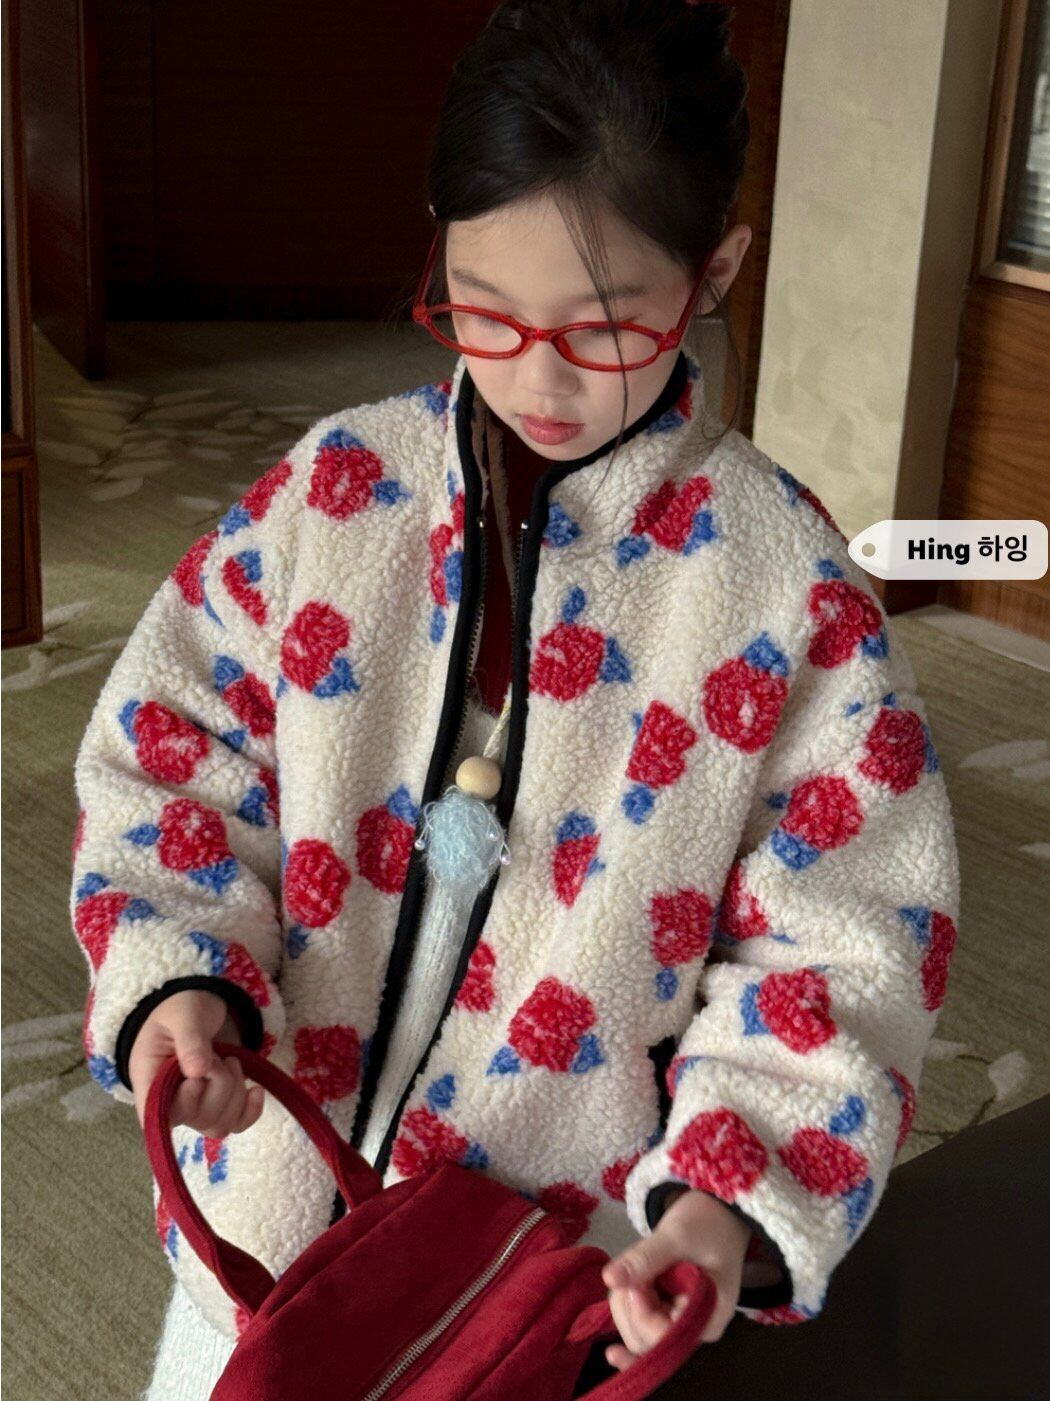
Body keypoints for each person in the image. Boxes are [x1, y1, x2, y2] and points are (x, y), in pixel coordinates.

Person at [68, 2, 960, 1396]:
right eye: (480, 307)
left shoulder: (786, 589)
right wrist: (180, 979)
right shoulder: (333, 495)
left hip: (551, 1278)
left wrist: (723, 1203)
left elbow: (843, 939)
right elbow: (170, 752)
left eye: (602, 329)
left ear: (714, 270)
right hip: (270, 1238)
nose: (535, 377)